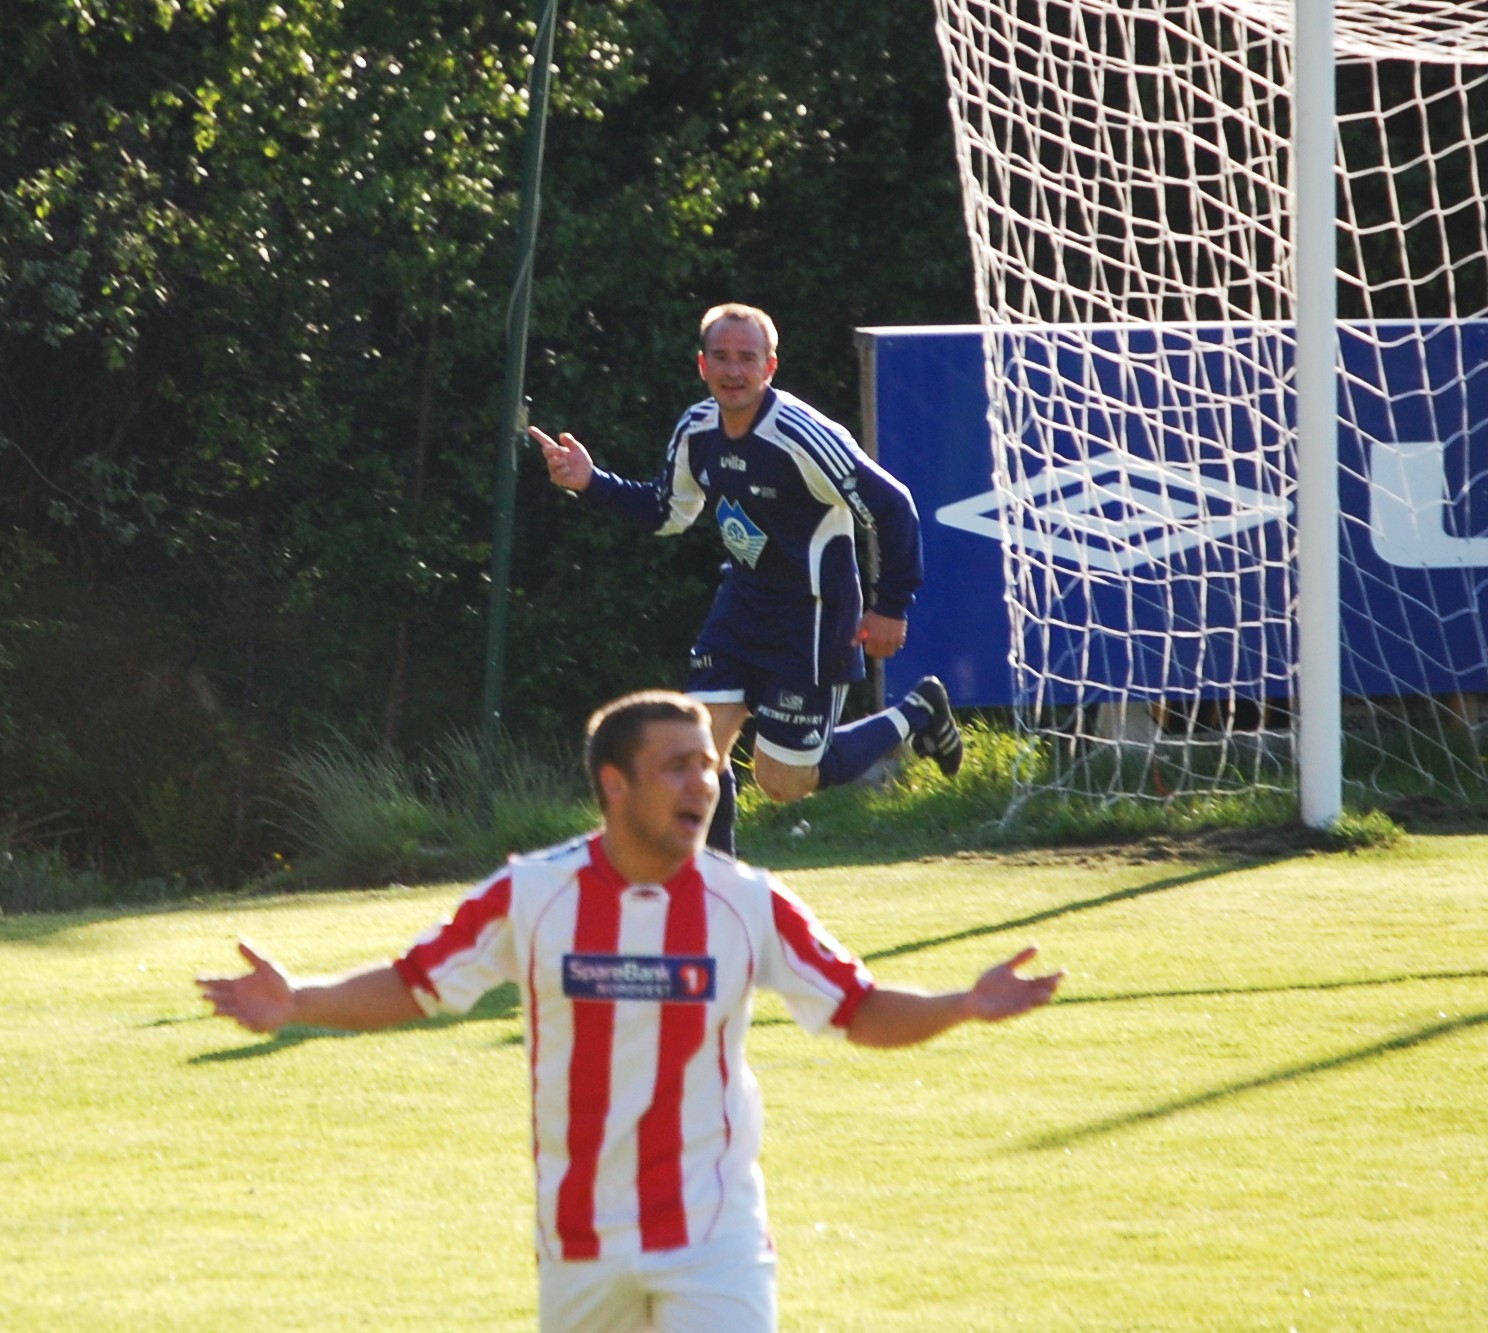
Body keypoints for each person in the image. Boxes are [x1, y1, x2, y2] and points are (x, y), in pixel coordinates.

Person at [197, 690, 1060, 1332]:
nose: (705, 782)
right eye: (677, 765)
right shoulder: (531, 894)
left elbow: (856, 1008)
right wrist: (299, 1000)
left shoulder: (749, 903)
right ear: (615, 783)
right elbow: (417, 982)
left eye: (709, 765)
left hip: (714, 1226)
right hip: (581, 1233)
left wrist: (962, 1003)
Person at [532, 303, 962, 857]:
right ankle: (716, 891)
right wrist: (593, 482)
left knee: (783, 783)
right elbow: (669, 512)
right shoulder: (698, 428)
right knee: (697, 754)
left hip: (810, 619)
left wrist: (891, 605)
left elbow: (892, 505)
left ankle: (917, 712)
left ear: (770, 367)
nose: (734, 371)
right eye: (722, 357)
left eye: (747, 358)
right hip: (741, 607)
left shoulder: (802, 435)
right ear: (702, 365)